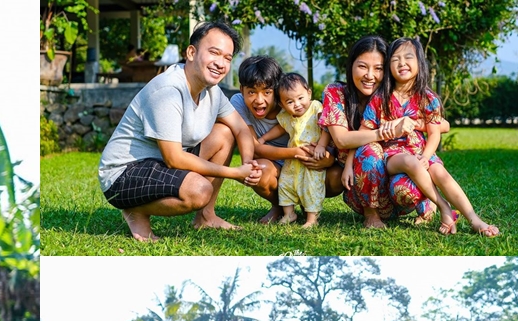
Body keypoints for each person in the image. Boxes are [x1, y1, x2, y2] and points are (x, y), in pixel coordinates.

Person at [97, 21, 265, 241]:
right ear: (191, 52)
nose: (221, 63)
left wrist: (247, 163)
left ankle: (206, 217)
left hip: (158, 164)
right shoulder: (168, 90)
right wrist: (235, 173)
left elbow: (240, 128)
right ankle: (136, 209)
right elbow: (174, 158)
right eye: (214, 53)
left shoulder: (212, 91)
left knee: (223, 133)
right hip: (124, 173)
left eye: (227, 58)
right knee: (199, 190)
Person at [362, 37, 499, 237]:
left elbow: (434, 133)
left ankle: (474, 218)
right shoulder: (380, 97)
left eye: (408, 57)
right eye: (395, 59)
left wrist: (426, 156)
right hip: (392, 155)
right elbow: (364, 130)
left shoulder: (427, 97)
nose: (402, 63)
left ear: (420, 62)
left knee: (440, 172)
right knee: (411, 161)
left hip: (420, 151)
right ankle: (444, 207)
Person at [319, 36, 444, 229]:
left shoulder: (393, 94)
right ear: (351, 64)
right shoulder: (336, 93)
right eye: (362, 66)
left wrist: (410, 122)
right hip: (360, 185)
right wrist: (385, 132)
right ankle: (372, 215)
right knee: (370, 149)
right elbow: (342, 140)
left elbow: (442, 124)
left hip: (396, 178)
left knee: (406, 185)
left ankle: (423, 200)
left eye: (378, 68)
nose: (370, 75)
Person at [229, 56, 342, 224]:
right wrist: (296, 152)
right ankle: (279, 207)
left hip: (307, 162)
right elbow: (255, 147)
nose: (259, 100)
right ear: (242, 89)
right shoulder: (239, 103)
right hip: (280, 164)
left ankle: (307, 206)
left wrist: (326, 158)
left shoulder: (296, 105)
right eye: (251, 92)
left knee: (336, 176)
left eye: (267, 92)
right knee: (259, 170)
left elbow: (327, 130)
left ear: (276, 90)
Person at [256, 73, 331, 228]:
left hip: (312, 158)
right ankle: (289, 213)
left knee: (311, 187)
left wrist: (321, 146)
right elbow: (280, 129)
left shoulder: (315, 108)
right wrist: (263, 139)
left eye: (300, 98)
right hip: (292, 161)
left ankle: (312, 219)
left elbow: (326, 126)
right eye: (290, 102)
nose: (296, 104)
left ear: (309, 93)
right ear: (282, 105)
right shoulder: (287, 116)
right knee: (285, 185)